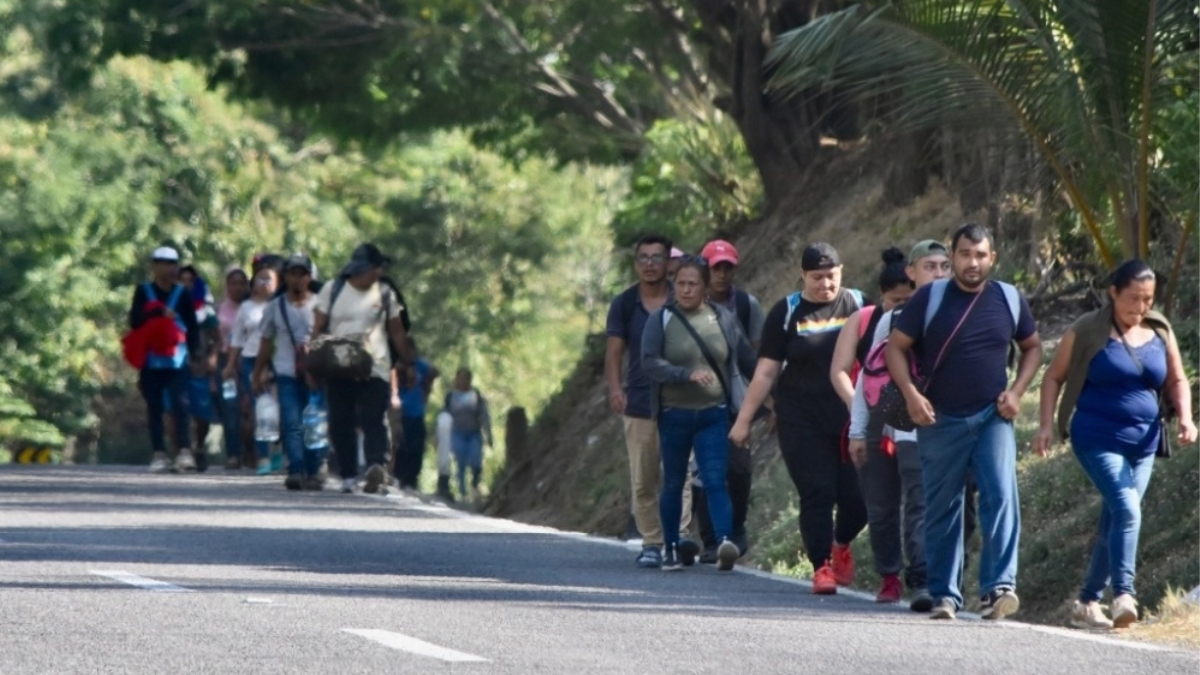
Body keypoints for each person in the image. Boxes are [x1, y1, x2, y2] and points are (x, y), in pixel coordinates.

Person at [885, 223, 1042, 621]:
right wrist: (911, 395)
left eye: (980, 255)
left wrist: (1017, 391)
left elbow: (1032, 348)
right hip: (939, 419)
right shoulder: (929, 299)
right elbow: (895, 349)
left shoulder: (1008, 298)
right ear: (952, 257)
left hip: (992, 416)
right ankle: (944, 595)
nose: (973, 263)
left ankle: (998, 588)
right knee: (943, 507)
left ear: (993, 258)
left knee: (1000, 495)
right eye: (965, 254)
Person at [1034, 260, 1196, 629]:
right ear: (1113, 293)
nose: (1140, 308)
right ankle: (1125, 593)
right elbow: (1053, 377)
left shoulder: (1159, 329)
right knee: (1127, 509)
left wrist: (1185, 417)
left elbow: (1177, 380)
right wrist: (1045, 425)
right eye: (1133, 299)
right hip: (1096, 437)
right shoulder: (1088, 330)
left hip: (1145, 442)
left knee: (1116, 519)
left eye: (1148, 299)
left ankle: (1087, 602)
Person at [729, 243, 868, 594]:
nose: (825, 284)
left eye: (831, 276)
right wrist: (744, 420)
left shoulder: (859, 305)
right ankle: (821, 567)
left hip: (853, 416)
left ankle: (840, 545)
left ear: (842, 271)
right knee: (817, 492)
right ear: (803, 276)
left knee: (860, 497)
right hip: (801, 418)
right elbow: (765, 372)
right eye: (817, 277)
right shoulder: (787, 312)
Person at [839, 242, 948, 610]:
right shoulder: (895, 318)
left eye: (944, 266)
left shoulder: (966, 312)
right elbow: (869, 376)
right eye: (929, 266)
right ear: (913, 273)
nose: (938, 273)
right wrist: (860, 429)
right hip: (898, 421)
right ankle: (891, 575)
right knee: (884, 505)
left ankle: (924, 578)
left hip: (947, 424)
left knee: (922, 503)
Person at [642, 256, 759, 572]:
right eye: (680, 283)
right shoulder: (661, 320)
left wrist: (770, 396)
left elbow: (748, 360)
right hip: (674, 414)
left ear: (705, 287)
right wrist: (684, 374)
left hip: (714, 413)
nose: (686, 289)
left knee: (715, 478)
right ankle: (671, 547)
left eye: (693, 283)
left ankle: (723, 543)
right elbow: (649, 361)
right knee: (674, 481)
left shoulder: (723, 319)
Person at [605, 234, 693, 569]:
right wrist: (616, 389)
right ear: (636, 263)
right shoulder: (625, 303)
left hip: (679, 401)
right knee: (643, 479)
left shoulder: (682, 297)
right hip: (639, 402)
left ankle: (679, 537)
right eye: (643, 258)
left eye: (657, 258)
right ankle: (652, 542)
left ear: (668, 262)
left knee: (680, 474)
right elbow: (614, 353)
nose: (650, 264)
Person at [310, 243, 413, 494]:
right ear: (363, 269)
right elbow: (318, 327)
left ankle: (376, 466)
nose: (379, 273)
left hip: (376, 366)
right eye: (376, 268)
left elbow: (397, 331)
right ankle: (347, 473)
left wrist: (407, 362)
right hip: (338, 366)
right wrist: (312, 366)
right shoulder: (332, 290)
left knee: (374, 417)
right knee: (341, 420)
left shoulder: (386, 293)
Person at [691, 238, 765, 564]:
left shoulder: (746, 306)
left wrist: (769, 401)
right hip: (694, 400)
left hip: (737, 400)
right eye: (715, 268)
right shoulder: (686, 304)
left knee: (737, 467)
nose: (721, 274)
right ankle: (711, 540)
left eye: (727, 268)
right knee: (704, 470)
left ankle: (735, 528)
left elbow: (758, 358)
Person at [128, 246, 202, 473]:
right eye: (163, 263)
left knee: (181, 404)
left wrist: (195, 353)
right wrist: (157, 313)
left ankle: (184, 452)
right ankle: (159, 453)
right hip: (151, 360)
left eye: (172, 263)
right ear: (154, 265)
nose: (168, 268)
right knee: (154, 406)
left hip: (178, 360)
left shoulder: (182, 294)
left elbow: (192, 326)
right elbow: (135, 320)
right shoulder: (143, 291)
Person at [253, 253, 324, 491]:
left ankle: (314, 470)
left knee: (313, 422)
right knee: (292, 421)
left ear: (309, 276)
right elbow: (265, 342)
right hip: (286, 373)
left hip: (315, 373)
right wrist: (257, 373)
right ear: (286, 276)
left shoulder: (320, 305)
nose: (297, 278)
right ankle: (296, 469)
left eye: (302, 273)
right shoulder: (275, 306)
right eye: (292, 273)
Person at [223, 266, 280, 476]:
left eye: (269, 279)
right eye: (261, 279)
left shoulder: (279, 305)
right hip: (250, 360)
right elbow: (237, 338)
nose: (264, 283)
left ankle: (278, 450)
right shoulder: (246, 308)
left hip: (276, 361)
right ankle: (263, 455)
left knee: (278, 408)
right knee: (260, 407)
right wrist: (230, 365)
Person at [176, 265, 219, 473]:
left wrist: (212, 357)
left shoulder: (205, 312)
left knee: (201, 411)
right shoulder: (171, 306)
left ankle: (199, 446)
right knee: (174, 408)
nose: (186, 284)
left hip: (199, 364)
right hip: (174, 362)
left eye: (189, 280)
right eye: (181, 279)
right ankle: (181, 451)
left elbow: (217, 339)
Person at [394, 338, 440, 491]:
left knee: (416, 448)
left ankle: (411, 480)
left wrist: (427, 386)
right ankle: (397, 477)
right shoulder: (395, 365)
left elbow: (434, 372)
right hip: (399, 413)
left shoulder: (420, 365)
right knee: (399, 446)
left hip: (417, 412)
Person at [216, 266, 250, 469]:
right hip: (226, 362)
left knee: (249, 408)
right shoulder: (219, 307)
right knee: (229, 408)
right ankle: (233, 454)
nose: (237, 287)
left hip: (248, 360)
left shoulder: (253, 306)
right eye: (233, 283)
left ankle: (253, 452)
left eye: (241, 283)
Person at [444, 368, 493, 502]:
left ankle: (475, 485)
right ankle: (462, 492)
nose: (462, 381)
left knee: (476, 461)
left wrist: (488, 434)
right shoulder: (450, 396)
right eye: (460, 378)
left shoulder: (475, 395)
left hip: (473, 433)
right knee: (460, 461)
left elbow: (484, 415)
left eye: (465, 378)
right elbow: (445, 416)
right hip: (457, 433)